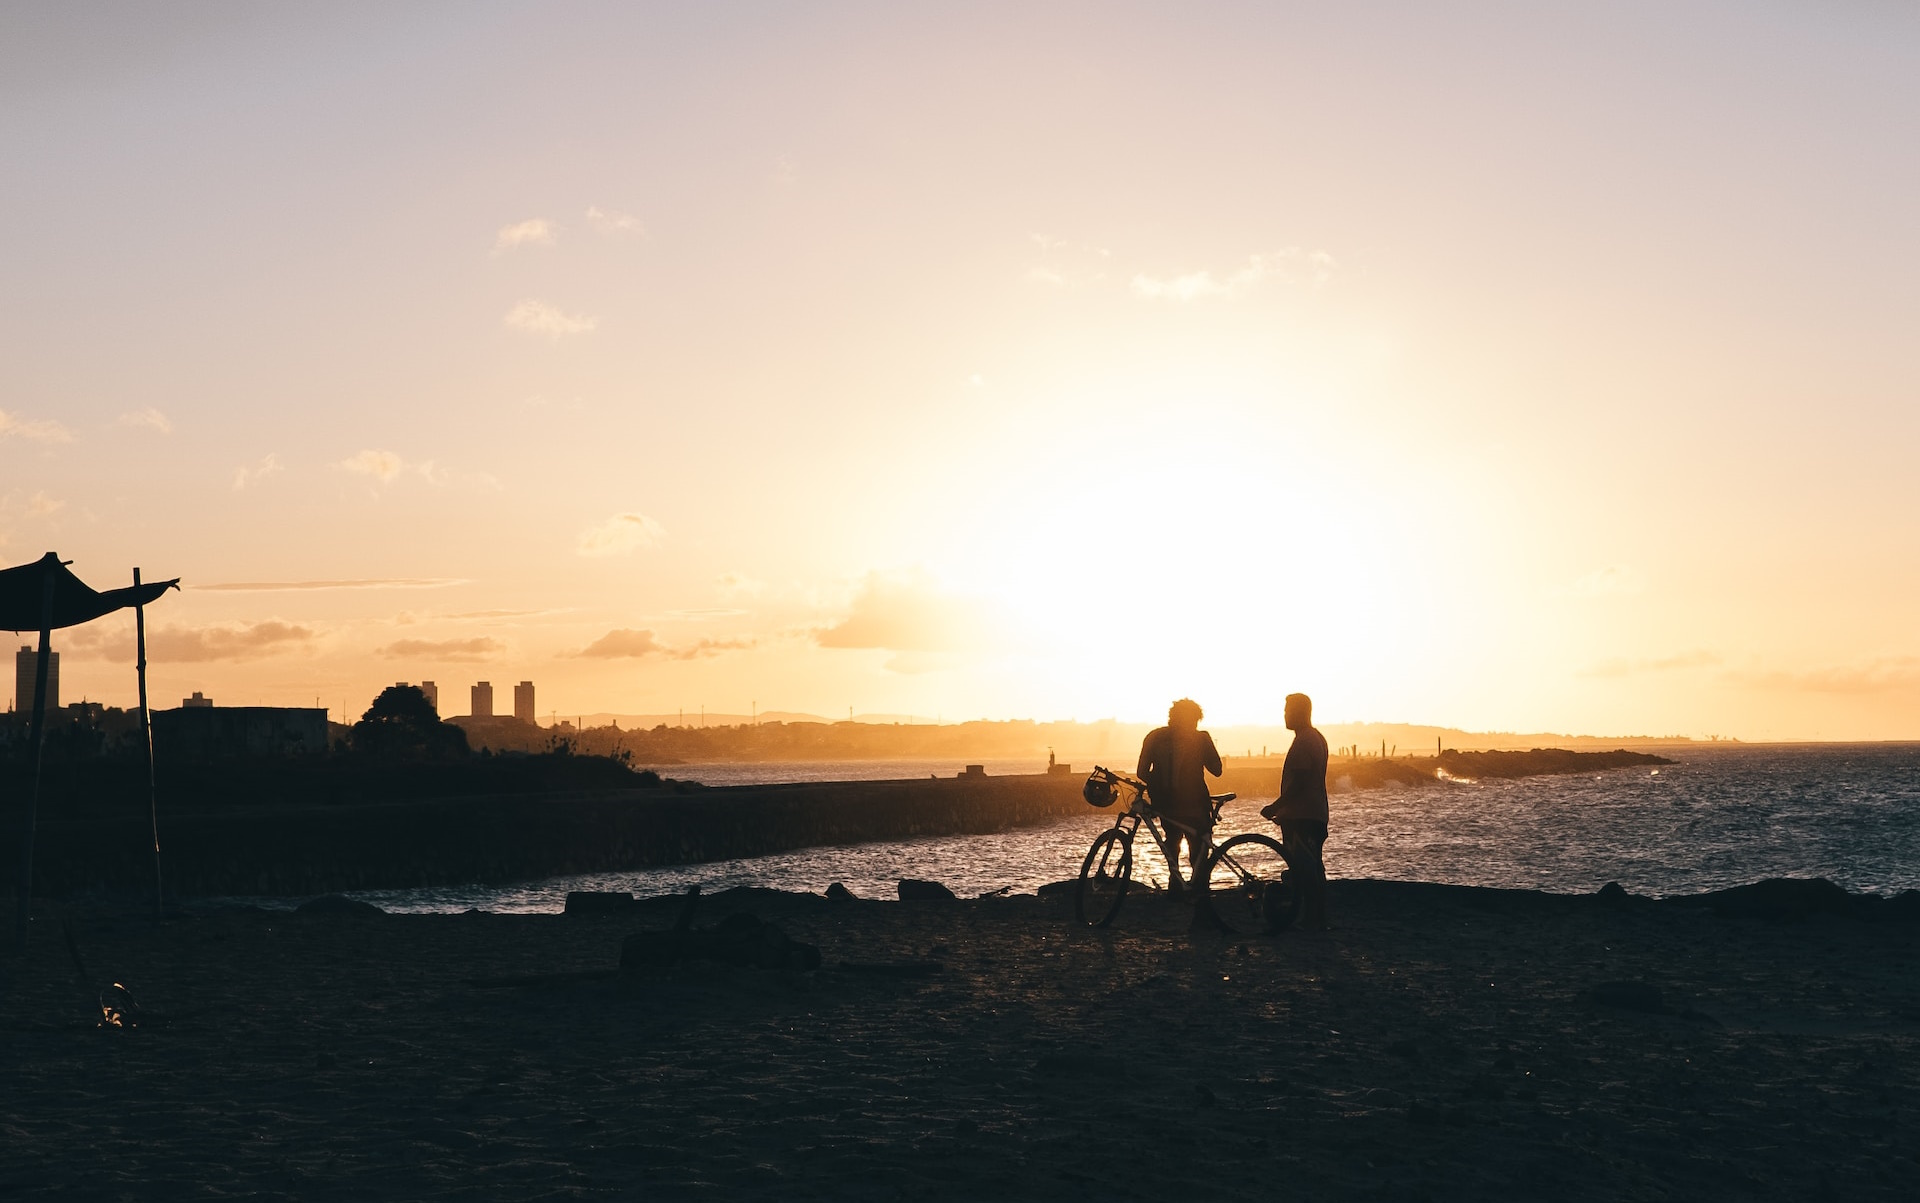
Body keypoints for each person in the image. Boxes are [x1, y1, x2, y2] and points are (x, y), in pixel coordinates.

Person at [1136, 698, 1223, 898]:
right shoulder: (1201, 738)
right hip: (1196, 805)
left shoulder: (1154, 737)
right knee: (1198, 849)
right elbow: (1217, 770)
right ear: (1195, 719)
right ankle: (1200, 889)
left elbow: (1141, 772)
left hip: (1165, 805)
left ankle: (1175, 885)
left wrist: (1157, 785)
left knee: (1172, 841)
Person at [1260, 693, 1330, 930]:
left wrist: (1275, 806)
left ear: (1301, 712)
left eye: (1288, 710)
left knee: (1306, 868)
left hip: (1304, 816)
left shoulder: (1305, 741)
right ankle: (1316, 918)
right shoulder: (1315, 738)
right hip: (1311, 813)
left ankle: (1313, 919)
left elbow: (1299, 783)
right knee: (1310, 868)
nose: (1285, 715)